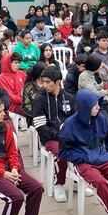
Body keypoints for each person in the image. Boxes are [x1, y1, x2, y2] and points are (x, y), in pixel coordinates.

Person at [32, 67, 79, 202]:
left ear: (58, 82)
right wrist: (60, 136)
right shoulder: (39, 99)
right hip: (49, 138)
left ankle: (77, 181)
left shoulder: (68, 98)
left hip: (67, 136)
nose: (44, 85)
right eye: (43, 82)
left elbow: (75, 120)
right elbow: (40, 127)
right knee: (61, 152)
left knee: (82, 147)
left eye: (48, 82)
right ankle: (58, 183)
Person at [78, 55, 108, 124]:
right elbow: (94, 93)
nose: (101, 65)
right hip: (91, 105)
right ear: (94, 66)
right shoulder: (83, 76)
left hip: (102, 102)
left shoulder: (98, 73)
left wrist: (105, 67)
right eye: (100, 64)